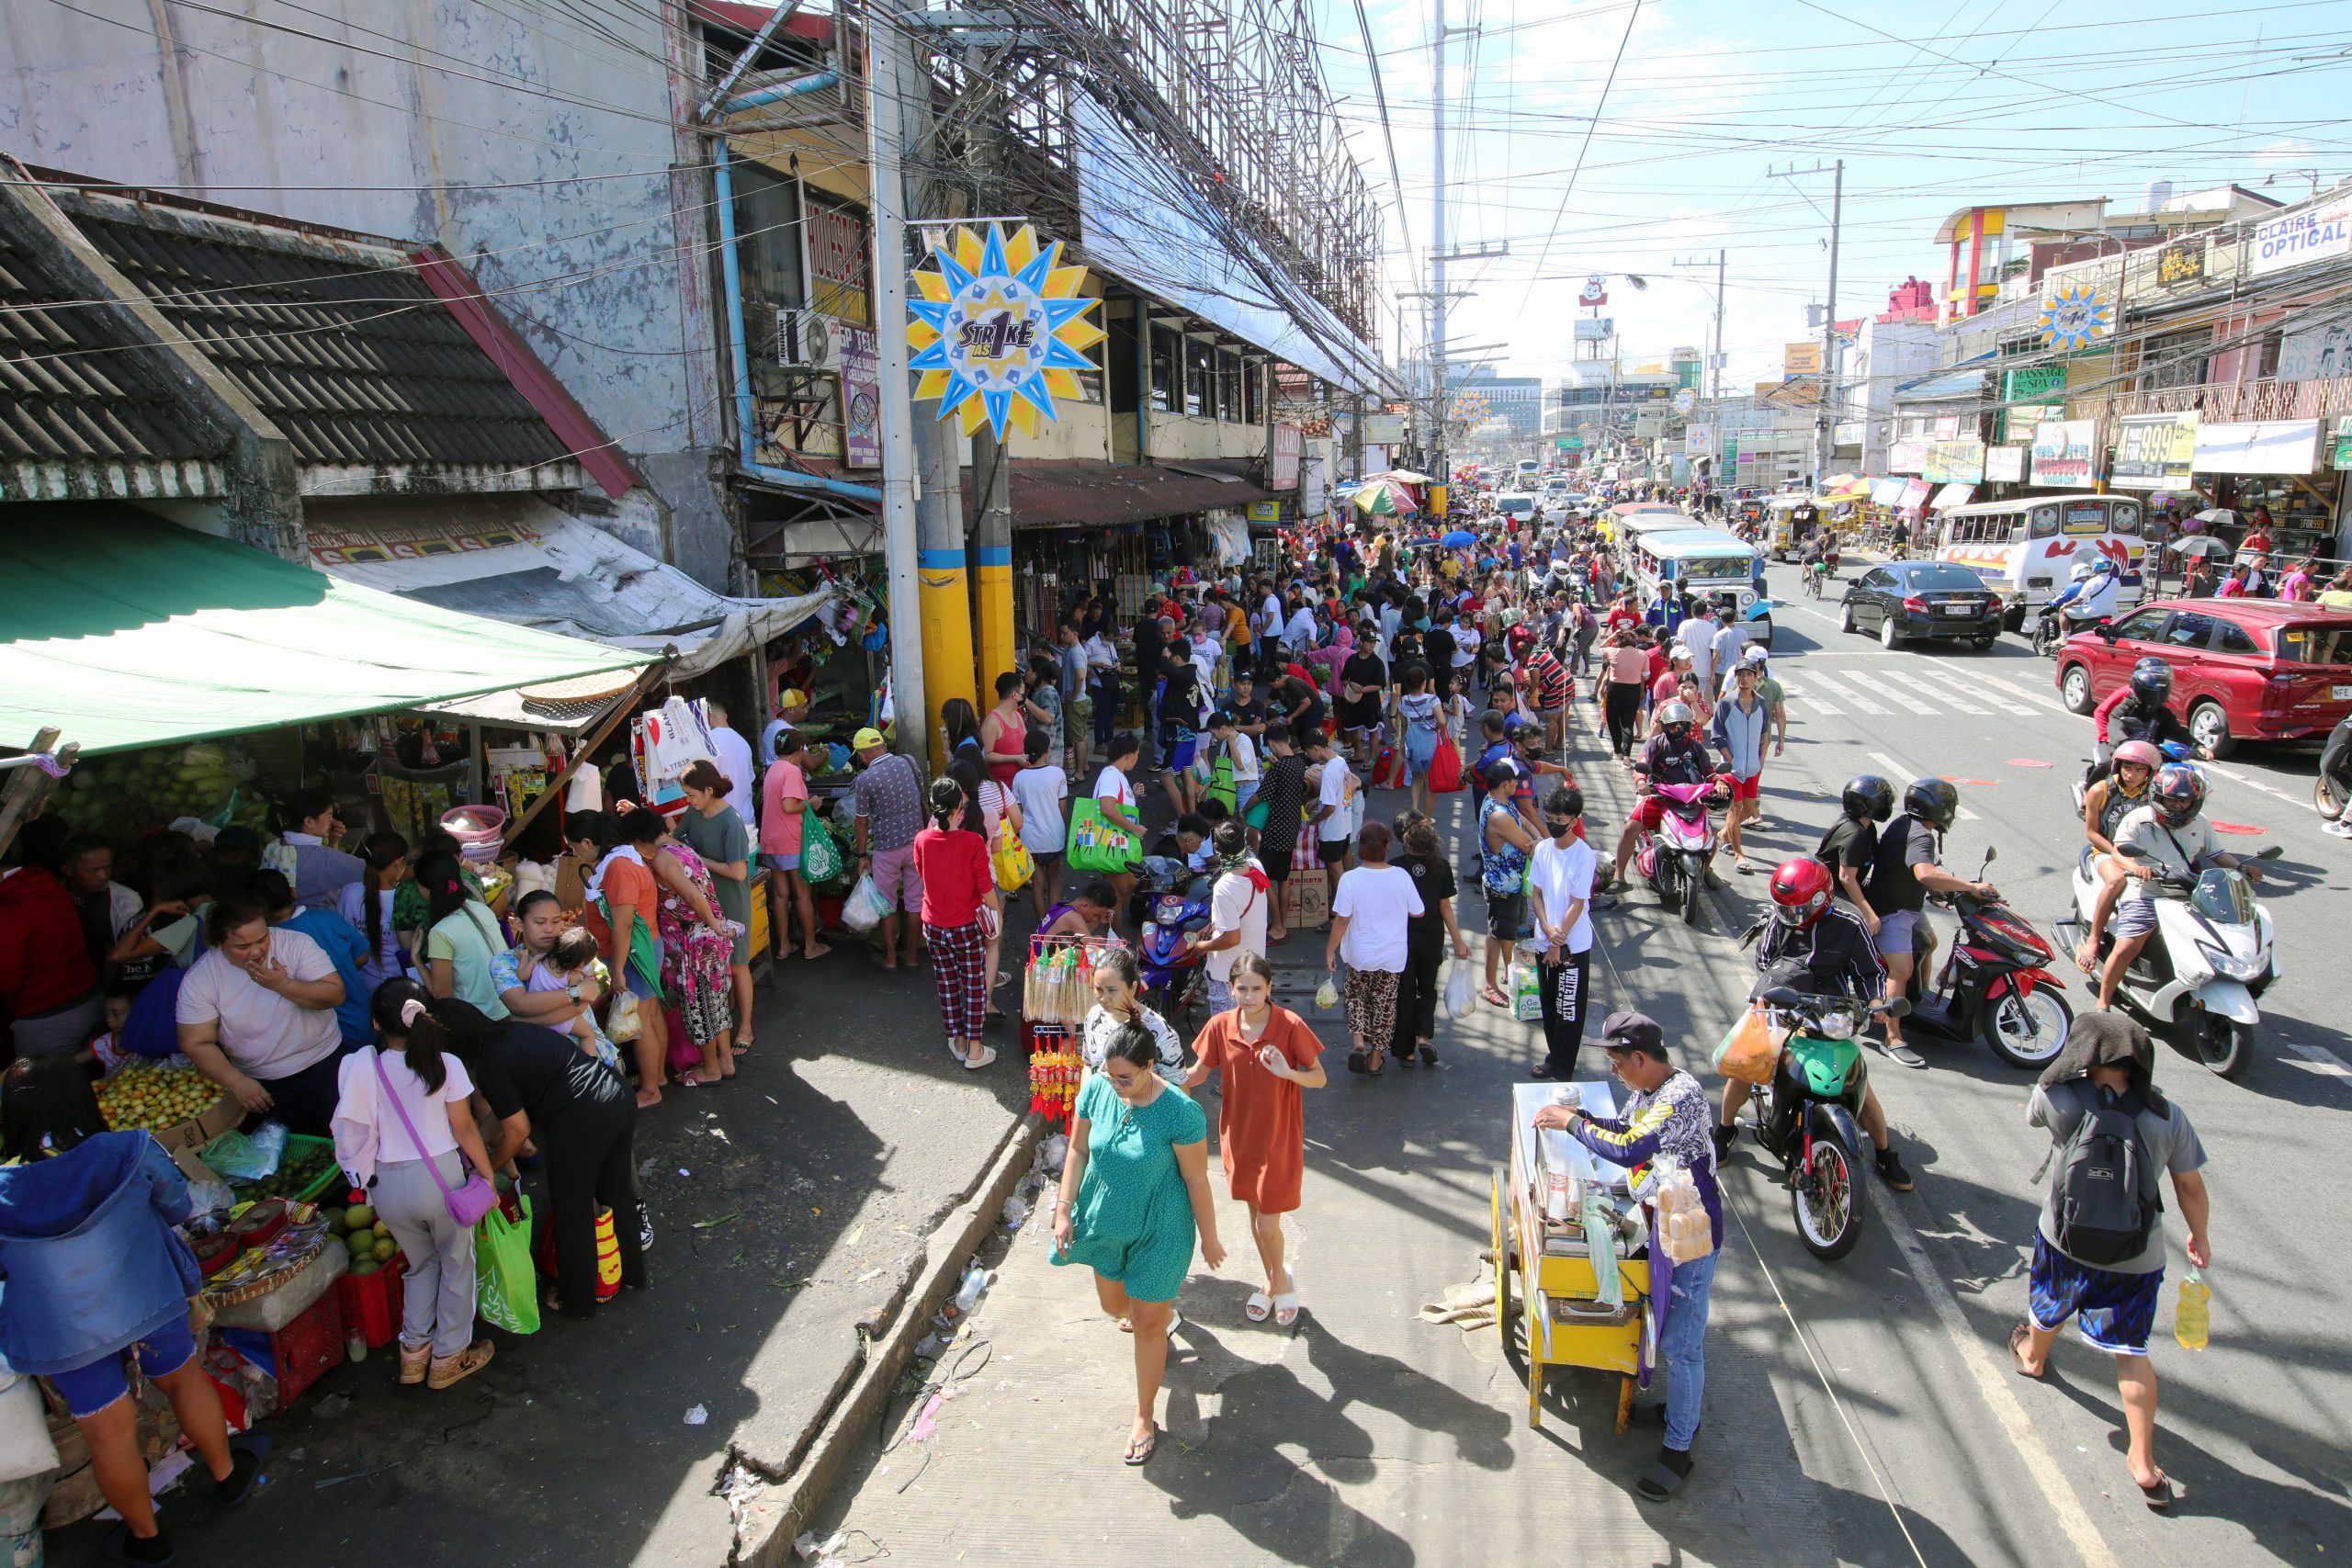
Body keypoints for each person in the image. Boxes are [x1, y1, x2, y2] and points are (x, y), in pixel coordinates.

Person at [0, 1056, 266, 1564]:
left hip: (64, 1333)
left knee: (108, 1433)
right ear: (83, 1100)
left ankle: (148, 1538)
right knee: (184, 1380)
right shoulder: (129, 1149)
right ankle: (228, 1477)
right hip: (146, 1298)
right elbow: (178, 1208)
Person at [2009, 1012, 2210, 1511]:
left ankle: (2032, 1358)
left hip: (2064, 1240)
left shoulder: (2057, 1096)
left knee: (2049, 1301)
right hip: (2136, 1255)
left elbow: (2032, 1114)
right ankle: (2143, 1464)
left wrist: (2060, 1075)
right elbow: (2189, 1186)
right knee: (2131, 1352)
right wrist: (2199, 1238)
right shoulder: (2167, 1115)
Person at [1532, 1011, 1720, 1502]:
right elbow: (1625, 1126)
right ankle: (1684, 1411)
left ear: (1641, 1058)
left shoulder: (1679, 1097)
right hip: (1662, 1222)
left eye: (1616, 1064)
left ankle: (1679, 1448)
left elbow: (1631, 1145)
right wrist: (1587, 1120)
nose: (1614, 1073)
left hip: (1691, 1234)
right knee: (1663, 1321)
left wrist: (1573, 1122)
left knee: (1682, 1343)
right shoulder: (1650, 1092)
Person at [409, 989, 649, 1317]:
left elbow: (518, 1131)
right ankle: (634, 1275)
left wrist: (486, 1170)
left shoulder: (490, 1067)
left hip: (581, 1118)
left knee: (571, 1210)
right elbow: (503, 1115)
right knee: (616, 1191)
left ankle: (576, 1300)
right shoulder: (511, 1032)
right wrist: (475, 1147)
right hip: (615, 1095)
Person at [1052, 1021, 1224, 1465]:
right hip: (1107, 1222)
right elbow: (1077, 1150)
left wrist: (1209, 1238)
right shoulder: (1096, 1090)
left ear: (1150, 1066)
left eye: (1125, 1077)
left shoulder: (1181, 1113)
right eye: (1110, 1074)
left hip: (1162, 1228)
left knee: (1147, 1324)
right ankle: (1156, 1314)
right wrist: (1063, 1207)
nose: (1116, 1084)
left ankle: (1144, 1416)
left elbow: (1196, 1179)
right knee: (1115, 1308)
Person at [331, 987, 501, 1387]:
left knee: (421, 1265)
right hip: (438, 1178)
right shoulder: (447, 1065)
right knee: (458, 1264)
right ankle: (448, 1357)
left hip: (386, 1185)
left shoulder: (363, 1068)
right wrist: (488, 1175)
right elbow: (464, 1129)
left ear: (375, 1023)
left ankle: (413, 1355)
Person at [1720, 856, 1915, 1189]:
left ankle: (1884, 1152)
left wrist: (1877, 1002)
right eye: (1786, 911)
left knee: (1861, 1086)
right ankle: (1724, 1129)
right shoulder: (1782, 919)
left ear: (1821, 900)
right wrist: (1780, 992)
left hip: (1833, 1012)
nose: (1792, 919)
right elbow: (1765, 961)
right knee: (1745, 1066)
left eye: (1797, 911)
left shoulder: (1850, 925)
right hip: (1785, 1005)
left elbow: (1870, 972)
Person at [1183, 952, 1322, 1327]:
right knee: (1255, 1215)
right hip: (1239, 1136)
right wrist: (1153, 1081)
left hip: (1279, 1138)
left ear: (1270, 988)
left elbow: (1319, 1077)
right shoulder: (1219, 1026)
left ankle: (1280, 1281)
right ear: (1230, 989)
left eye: (1256, 989)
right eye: (1241, 989)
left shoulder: (1290, 1025)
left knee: (1266, 1225)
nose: (1248, 996)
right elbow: (1197, 1073)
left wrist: (1288, 1073)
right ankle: (1272, 1280)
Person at [2093, 764, 2261, 1014]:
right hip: (2147, 890)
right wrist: (2136, 868)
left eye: (2183, 803)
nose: (2177, 807)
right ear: (2158, 798)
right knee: (2128, 945)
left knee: (2223, 932)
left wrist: (2241, 868)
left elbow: (2217, 854)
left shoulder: (2200, 823)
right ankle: (2104, 1001)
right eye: (2171, 801)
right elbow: (2119, 851)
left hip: (2188, 890)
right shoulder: (2138, 819)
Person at [175, 896, 348, 1134]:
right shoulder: (201, 978)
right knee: (296, 1154)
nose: (256, 951)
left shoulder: (295, 944)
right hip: (264, 1083)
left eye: (263, 939)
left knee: (349, 1140)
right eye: (242, 947)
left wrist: (284, 985)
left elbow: (335, 994)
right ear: (219, 944)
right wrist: (236, 1082)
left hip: (325, 1063)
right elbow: (195, 1042)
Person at [1865, 778, 1995, 1069]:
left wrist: (1941, 890)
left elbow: (1910, 870)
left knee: (1931, 942)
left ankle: (1917, 998)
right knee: (1901, 970)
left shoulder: (1905, 823)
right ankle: (1893, 1037)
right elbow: (1924, 872)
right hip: (1892, 911)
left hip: (1908, 905)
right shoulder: (1922, 835)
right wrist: (1970, 887)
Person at [570, 810, 670, 1108]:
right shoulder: (623, 859)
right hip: (643, 948)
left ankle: (650, 1091)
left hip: (634, 954)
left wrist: (617, 970)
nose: (575, 853)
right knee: (649, 1017)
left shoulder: (620, 868)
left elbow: (624, 923)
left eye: (575, 847)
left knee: (639, 1023)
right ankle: (658, 1077)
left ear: (588, 842)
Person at [912, 775, 1001, 1071]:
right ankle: (975, 1050)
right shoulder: (973, 842)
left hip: (934, 924)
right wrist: (996, 916)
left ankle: (959, 1041)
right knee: (974, 985)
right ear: (959, 808)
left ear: (933, 806)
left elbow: (923, 874)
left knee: (947, 983)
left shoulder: (922, 840)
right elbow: (985, 886)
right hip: (966, 924)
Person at [1327, 820, 1422, 1076]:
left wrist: (1330, 950)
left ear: (1361, 848)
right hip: (1392, 955)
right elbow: (1418, 911)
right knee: (1385, 1005)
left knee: (1356, 997)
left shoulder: (1350, 879)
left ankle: (1359, 1042)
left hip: (1359, 953)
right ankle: (1375, 1059)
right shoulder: (1401, 876)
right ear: (1386, 846)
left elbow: (1342, 919)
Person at [677, 759, 756, 1055]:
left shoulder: (731, 821)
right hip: (703, 902)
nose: (688, 800)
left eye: (691, 795)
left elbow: (738, 872)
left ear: (708, 790)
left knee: (738, 966)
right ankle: (724, 1020)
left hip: (731, 902)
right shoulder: (694, 812)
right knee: (715, 967)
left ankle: (746, 1028)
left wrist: (697, 860)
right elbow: (674, 840)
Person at [0, 838, 102, 1056]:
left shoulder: (10, 906)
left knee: (46, 1086)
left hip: (49, 1017)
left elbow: (6, 979)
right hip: (88, 1001)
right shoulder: (42, 882)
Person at [254, 869, 374, 1051]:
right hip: (365, 1020)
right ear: (292, 893)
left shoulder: (269, 944)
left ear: (255, 908)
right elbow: (362, 956)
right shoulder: (327, 917)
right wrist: (342, 970)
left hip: (329, 1040)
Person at [2069, 739, 2162, 975]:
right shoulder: (2100, 791)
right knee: (2116, 881)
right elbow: (2092, 833)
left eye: (2139, 770)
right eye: (2127, 768)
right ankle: (2093, 940)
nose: (2131, 774)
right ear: (2118, 767)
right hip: (2106, 851)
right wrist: (2117, 853)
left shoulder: (2155, 794)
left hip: (2146, 854)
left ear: (2150, 773)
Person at [1526, 785, 1597, 1082]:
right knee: (1548, 1002)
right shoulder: (1543, 849)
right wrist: (1545, 927)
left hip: (1572, 944)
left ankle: (1563, 1066)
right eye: (1549, 817)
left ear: (1574, 819)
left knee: (1568, 1007)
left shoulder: (1583, 855)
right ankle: (1553, 1056)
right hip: (1546, 939)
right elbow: (1537, 894)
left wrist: (1559, 939)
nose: (1553, 823)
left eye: (1559, 818)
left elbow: (1578, 903)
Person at [1611, 699, 1717, 894]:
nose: (1677, 729)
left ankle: (1707, 868)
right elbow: (1641, 764)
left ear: (1688, 726)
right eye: (1672, 726)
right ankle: (1619, 876)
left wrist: (1720, 783)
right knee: (1629, 829)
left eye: (1681, 725)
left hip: (1690, 801)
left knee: (1712, 834)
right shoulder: (1655, 744)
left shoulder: (1696, 748)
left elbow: (1709, 772)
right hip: (1659, 798)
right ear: (1665, 727)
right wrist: (1642, 782)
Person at [1389, 812, 1469, 1068]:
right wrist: (1458, 941)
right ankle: (1424, 1038)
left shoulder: (1395, 867)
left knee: (1404, 992)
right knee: (1427, 989)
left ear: (1406, 842)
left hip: (1402, 939)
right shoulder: (1441, 866)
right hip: (1432, 937)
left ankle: (1406, 1050)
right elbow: (1445, 906)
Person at [851, 727, 928, 969]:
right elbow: (922, 798)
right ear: (883, 747)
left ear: (862, 756)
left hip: (886, 849)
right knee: (915, 902)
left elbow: (862, 820)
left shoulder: (865, 780)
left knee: (886, 903)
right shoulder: (909, 762)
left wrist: (862, 854)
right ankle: (914, 956)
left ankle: (892, 957)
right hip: (916, 843)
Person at [415, 848, 511, 1022]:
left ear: (426, 889)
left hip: (478, 1021)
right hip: (508, 1008)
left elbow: (442, 996)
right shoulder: (481, 909)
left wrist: (416, 959)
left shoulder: (441, 932)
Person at [761, 728, 830, 962]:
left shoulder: (772, 770)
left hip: (770, 839)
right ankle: (810, 946)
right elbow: (790, 806)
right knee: (802, 894)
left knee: (780, 895)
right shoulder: (791, 772)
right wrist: (811, 803)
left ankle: (783, 946)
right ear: (799, 752)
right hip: (789, 839)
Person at [1188, 820, 1270, 1014]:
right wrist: (1212, 925)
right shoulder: (1255, 866)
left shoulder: (1224, 887)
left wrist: (1202, 948)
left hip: (1229, 974)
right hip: (1255, 967)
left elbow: (1232, 938)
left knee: (1227, 1035)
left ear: (1216, 847)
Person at [1712, 660, 1771, 874]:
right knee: (1735, 810)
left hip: (1753, 768)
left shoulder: (1762, 702)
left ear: (1756, 677)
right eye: (1741, 674)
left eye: (1749, 674)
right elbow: (1717, 736)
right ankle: (1739, 854)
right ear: (1735, 677)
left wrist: (1761, 758)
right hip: (1733, 770)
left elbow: (1765, 733)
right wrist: (1730, 759)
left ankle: (1723, 834)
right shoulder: (1726, 703)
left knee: (1748, 808)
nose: (1745, 678)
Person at [1817, 774, 1894, 934]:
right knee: (1859, 923)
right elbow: (1846, 878)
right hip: (1830, 890)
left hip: (1848, 884)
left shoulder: (1867, 826)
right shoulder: (1854, 834)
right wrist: (1868, 914)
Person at [1252, 730, 1308, 942]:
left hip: (1275, 829)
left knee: (1265, 880)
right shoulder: (1299, 763)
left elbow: (1261, 796)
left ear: (1269, 744)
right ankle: (1282, 924)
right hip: (1291, 827)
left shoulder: (1278, 768)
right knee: (1283, 879)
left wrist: (1245, 808)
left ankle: (1277, 928)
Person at [339, 830, 413, 992]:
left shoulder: (349, 893)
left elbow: (344, 940)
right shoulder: (405, 898)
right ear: (398, 862)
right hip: (400, 988)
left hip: (359, 987)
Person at [270, 787, 365, 910]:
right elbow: (375, 873)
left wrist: (333, 843)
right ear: (309, 821)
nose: (333, 821)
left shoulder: (274, 847)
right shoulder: (322, 857)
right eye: (329, 816)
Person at [1012, 728, 1069, 920]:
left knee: (1037, 884)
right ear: (1047, 751)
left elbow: (1018, 811)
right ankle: (1055, 924)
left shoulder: (1019, 777)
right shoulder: (1057, 773)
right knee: (1054, 880)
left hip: (1030, 839)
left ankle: (1042, 928)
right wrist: (1067, 830)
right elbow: (1063, 809)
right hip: (1053, 835)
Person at [1093, 733, 1148, 932]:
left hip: (1117, 844)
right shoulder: (1111, 775)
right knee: (1117, 894)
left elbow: (1115, 804)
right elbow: (1107, 808)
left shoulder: (1116, 775)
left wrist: (1132, 791)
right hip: (1113, 844)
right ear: (1128, 755)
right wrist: (1134, 828)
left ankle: (1113, 939)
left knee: (1125, 888)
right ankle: (1116, 942)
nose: (1137, 758)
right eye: (1137, 754)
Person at [1306, 735, 1357, 918]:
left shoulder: (1328, 771)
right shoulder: (1340, 761)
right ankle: (1340, 906)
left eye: (1308, 752)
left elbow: (1329, 807)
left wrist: (1315, 820)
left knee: (1336, 872)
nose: (1309, 756)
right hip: (1344, 824)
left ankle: (1340, 911)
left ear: (1316, 749)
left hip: (1331, 830)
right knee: (1341, 867)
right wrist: (1316, 801)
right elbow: (1338, 792)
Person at [703, 699, 759, 831]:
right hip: (747, 820)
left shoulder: (710, 741)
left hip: (723, 821)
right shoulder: (743, 742)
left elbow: (705, 783)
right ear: (726, 716)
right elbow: (749, 779)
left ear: (708, 717)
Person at [1600, 628, 1648, 761]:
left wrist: (1612, 635)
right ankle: (1627, 755)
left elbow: (1601, 647)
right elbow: (1646, 675)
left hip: (1614, 688)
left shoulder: (1612, 651)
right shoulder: (1642, 654)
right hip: (1633, 689)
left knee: (1613, 720)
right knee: (1628, 722)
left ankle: (1617, 751)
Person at [981, 671, 1032, 785]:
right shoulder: (992, 721)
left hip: (1021, 784)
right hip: (1001, 788)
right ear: (1014, 695)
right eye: (1023, 693)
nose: (1024, 697)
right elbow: (986, 755)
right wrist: (1015, 758)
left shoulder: (1018, 716)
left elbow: (1026, 743)